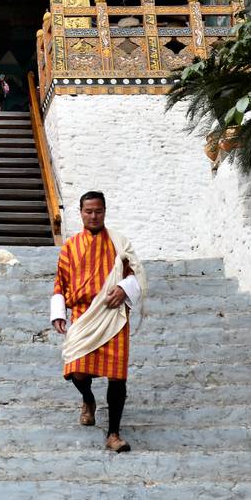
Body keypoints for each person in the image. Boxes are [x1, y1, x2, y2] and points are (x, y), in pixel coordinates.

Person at [51, 191, 146, 453]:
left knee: (117, 376)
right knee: (76, 369)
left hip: (113, 315)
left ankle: (114, 434)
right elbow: (60, 282)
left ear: (105, 211)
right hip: (83, 314)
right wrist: (59, 312)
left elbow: (136, 274)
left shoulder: (119, 243)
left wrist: (125, 288)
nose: (94, 216)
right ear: (80, 213)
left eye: (98, 211)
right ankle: (88, 399)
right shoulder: (70, 248)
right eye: (88, 211)